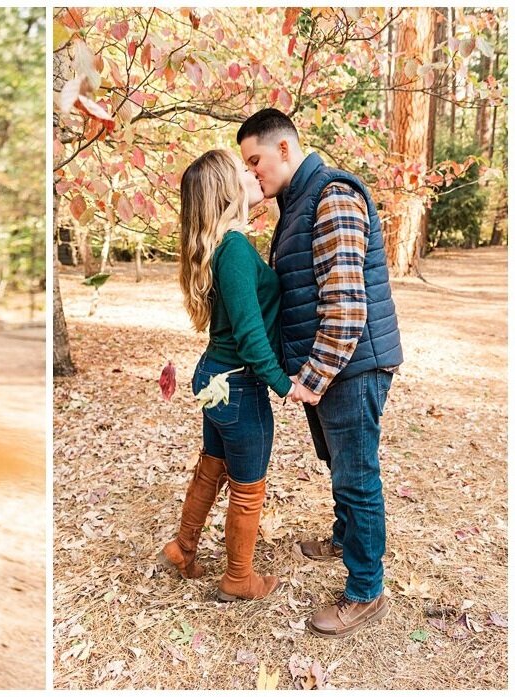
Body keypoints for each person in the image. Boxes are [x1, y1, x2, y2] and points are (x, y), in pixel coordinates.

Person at [237, 108, 403, 637]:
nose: (252, 173)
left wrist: (313, 375)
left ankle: (366, 591)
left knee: (356, 475)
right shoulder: (295, 205)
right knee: (338, 462)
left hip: (350, 367)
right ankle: (343, 536)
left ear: (285, 148)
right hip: (330, 369)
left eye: (255, 160)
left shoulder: (331, 195)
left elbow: (347, 305)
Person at [160, 149, 292, 602]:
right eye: (242, 170)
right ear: (226, 190)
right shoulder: (234, 249)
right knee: (248, 485)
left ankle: (183, 547)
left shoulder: (227, 244)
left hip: (216, 378)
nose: (251, 171)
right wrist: (284, 384)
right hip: (238, 383)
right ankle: (239, 578)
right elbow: (252, 335)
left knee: (211, 467)